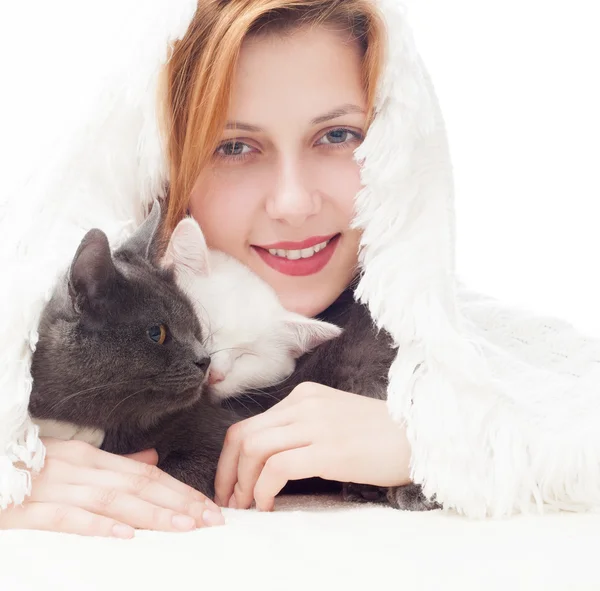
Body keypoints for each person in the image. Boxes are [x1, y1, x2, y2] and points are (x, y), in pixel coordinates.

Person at [2, 0, 600, 536]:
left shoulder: (449, 352)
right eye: (234, 146)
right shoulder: (64, 317)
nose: (293, 202)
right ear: (166, 162)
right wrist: (14, 471)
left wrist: (435, 441)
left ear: (397, 147)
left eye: (338, 135)